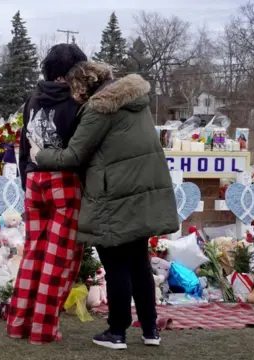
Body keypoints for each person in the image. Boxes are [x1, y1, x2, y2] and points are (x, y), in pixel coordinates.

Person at [28, 61, 179, 350]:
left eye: (73, 88)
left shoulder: (99, 109)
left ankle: (117, 332)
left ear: (83, 85)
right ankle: (150, 330)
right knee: (139, 264)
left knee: (116, 264)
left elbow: (74, 155)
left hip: (113, 197)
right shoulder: (136, 101)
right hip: (142, 193)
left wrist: (40, 154)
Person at [6, 43, 88, 345]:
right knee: (59, 257)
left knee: (34, 252)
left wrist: (27, 176)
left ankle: (19, 323)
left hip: (33, 180)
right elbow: (82, 149)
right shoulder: (77, 101)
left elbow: (24, 146)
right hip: (64, 182)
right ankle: (43, 328)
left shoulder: (32, 100)